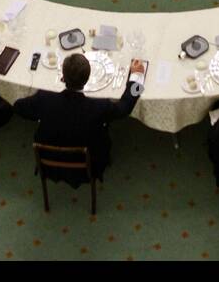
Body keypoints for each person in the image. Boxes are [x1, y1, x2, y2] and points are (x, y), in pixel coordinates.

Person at [12, 53, 147, 184]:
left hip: (48, 159)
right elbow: (125, 107)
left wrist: (42, 117)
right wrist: (137, 77)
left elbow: (18, 107)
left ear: (63, 77)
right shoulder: (100, 107)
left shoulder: (43, 99)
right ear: (87, 79)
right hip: (91, 163)